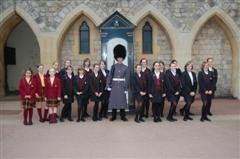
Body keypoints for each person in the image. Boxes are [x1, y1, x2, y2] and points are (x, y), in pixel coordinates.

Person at [106, 44, 129, 121]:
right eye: (118, 57)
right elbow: (110, 76)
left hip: (122, 86)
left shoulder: (126, 67)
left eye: (121, 58)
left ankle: (123, 116)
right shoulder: (113, 66)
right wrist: (108, 85)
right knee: (114, 101)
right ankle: (113, 116)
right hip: (114, 86)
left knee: (122, 101)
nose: (120, 59)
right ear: (116, 58)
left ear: (123, 58)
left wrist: (126, 88)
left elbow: (127, 78)